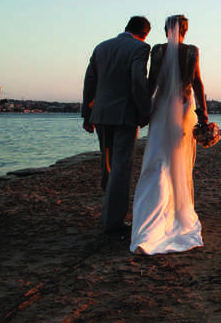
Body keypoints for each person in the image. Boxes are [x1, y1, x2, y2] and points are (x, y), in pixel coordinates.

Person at [130, 15, 208, 254]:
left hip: (163, 108)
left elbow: (152, 82)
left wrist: (145, 111)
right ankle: (177, 213)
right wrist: (203, 114)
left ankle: (150, 222)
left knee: (158, 160)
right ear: (185, 30)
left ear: (167, 31)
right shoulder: (192, 52)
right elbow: (198, 84)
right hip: (185, 109)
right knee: (179, 162)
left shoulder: (158, 51)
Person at [82, 16, 152, 234]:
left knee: (108, 164)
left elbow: (89, 81)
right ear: (145, 33)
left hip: (101, 113)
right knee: (121, 167)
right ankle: (113, 223)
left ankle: (108, 212)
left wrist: (87, 113)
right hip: (125, 113)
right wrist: (145, 110)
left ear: (126, 27)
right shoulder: (140, 48)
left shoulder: (101, 47)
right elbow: (138, 80)